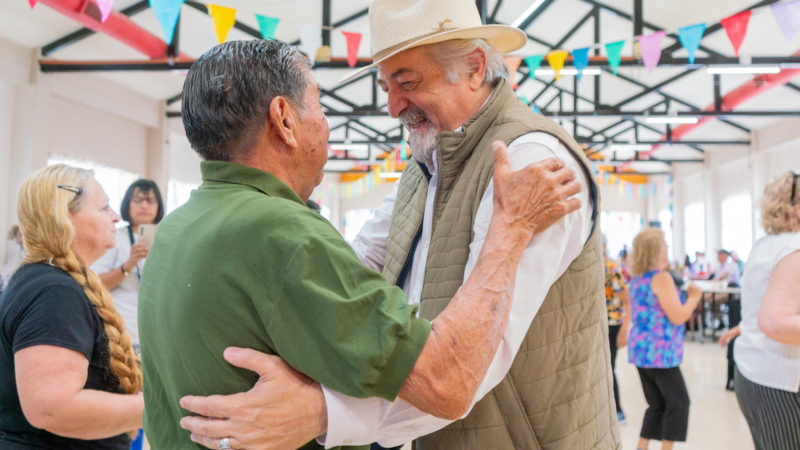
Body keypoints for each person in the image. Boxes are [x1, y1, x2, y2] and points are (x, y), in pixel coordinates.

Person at [178, 1, 619, 449]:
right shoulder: (428, 160)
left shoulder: (531, 164)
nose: (392, 107)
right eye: (386, 85)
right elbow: (366, 261)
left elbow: (469, 369)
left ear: (473, 67)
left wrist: (320, 412)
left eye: (407, 83)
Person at [0, 164, 143, 448]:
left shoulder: (49, 282)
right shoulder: (53, 291)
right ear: (64, 216)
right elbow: (53, 408)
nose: (116, 218)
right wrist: (160, 407)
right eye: (104, 208)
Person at [731, 171, 800, 449]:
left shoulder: (767, 245)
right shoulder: (794, 249)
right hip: (779, 382)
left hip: (752, 373)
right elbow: (774, 321)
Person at [628, 228, 702, 450]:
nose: (668, 249)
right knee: (678, 404)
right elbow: (678, 316)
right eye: (665, 245)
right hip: (659, 353)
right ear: (656, 251)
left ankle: (642, 446)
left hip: (641, 351)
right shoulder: (661, 278)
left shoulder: (637, 278)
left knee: (657, 404)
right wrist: (694, 298)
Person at [92, 179, 164, 352]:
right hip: (122, 330)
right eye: (138, 200)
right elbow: (96, 285)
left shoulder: (167, 239)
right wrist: (128, 265)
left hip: (157, 332)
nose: (144, 206)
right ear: (127, 204)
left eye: (150, 201)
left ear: (158, 206)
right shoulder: (114, 237)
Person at [605, 236, 630, 424]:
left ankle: (618, 409)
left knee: (609, 367)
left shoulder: (613, 269)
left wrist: (624, 330)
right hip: (597, 323)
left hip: (613, 323)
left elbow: (627, 301)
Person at [1, 225, 25, 292]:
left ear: (17, 235)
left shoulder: (26, 247)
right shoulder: (22, 247)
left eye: (13, 239)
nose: (14, 242)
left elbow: (23, 262)